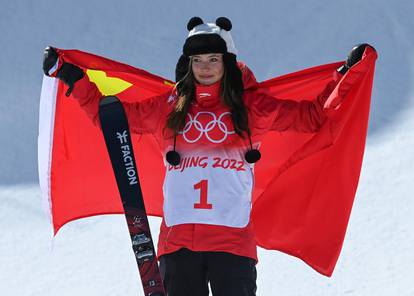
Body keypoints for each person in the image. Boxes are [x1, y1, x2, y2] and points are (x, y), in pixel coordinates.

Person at [42, 16, 373, 296]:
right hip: (178, 246)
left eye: (213, 59)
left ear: (227, 61)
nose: (205, 68)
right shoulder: (167, 108)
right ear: (188, 64)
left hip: (232, 245)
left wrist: (346, 73)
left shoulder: (254, 108)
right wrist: (73, 77)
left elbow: (314, 117)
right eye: (197, 61)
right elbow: (112, 120)